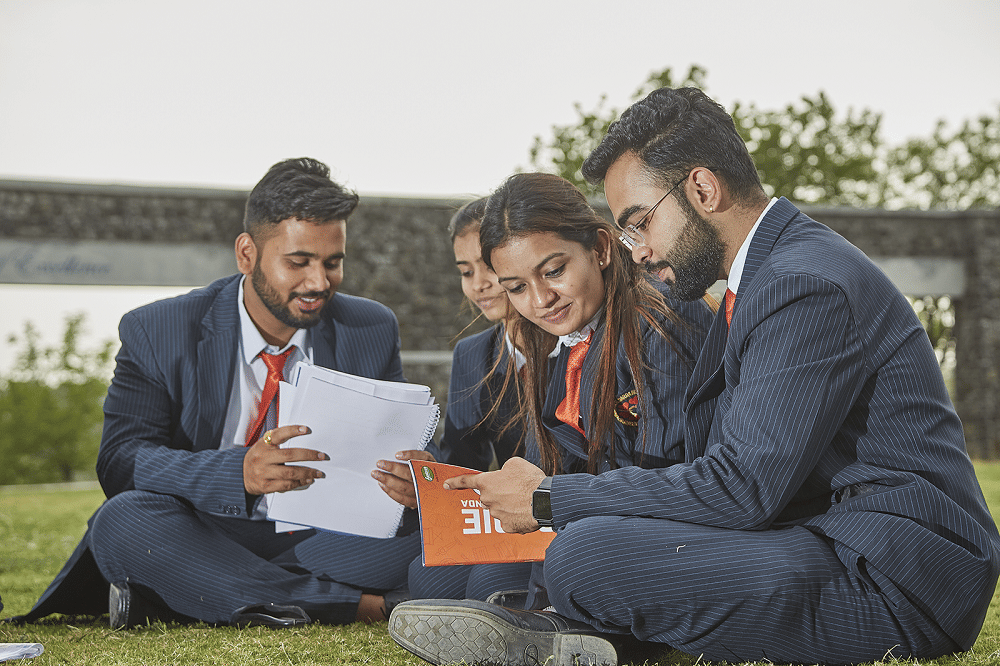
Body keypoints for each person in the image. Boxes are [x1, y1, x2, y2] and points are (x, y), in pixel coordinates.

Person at [388, 89, 1000, 666]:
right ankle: (570, 631)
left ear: (702, 189)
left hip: (897, 573)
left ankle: (569, 628)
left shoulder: (799, 283)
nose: (636, 249)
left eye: (639, 222)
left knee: (585, 555)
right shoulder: (767, 274)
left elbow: (741, 487)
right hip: (837, 538)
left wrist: (550, 499)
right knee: (575, 554)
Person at [13, 157, 428, 628]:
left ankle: (194, 592)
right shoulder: (158, 329)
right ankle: (357, 606)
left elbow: (400, 437)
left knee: (432, 536)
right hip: (205, 527)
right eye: (299, 262)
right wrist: (239, 473)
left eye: (332, 263)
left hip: (326, 536)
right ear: (247, 253)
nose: (319, 282)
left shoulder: (370, 327)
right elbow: (121, 462)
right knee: (122, 520)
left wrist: (413, 473)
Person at [404, 172, 712, 606]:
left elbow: (671, 482)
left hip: (660, 530)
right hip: (580, 515)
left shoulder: (661, 320)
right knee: (431, 578)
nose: (540, 299)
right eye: (516, 288)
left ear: (601, 248)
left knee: (493, 584)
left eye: (553, 271)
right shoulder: (566, 336)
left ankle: (543, 617)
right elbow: (543, 465)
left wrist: (549, 499)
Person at [437, 197, 522, 472]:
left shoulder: (578, 342)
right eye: (466, 271)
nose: (478, 285)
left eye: (490, 265)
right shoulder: (472, 354)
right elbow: (461, 461)